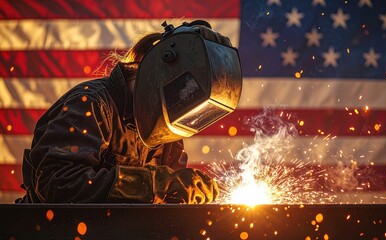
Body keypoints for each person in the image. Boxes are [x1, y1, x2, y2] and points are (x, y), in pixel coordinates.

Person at [17, 20, 242, 203]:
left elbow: (165, 201)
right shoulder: (92, 104)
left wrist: (184, 193)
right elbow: (58, 182)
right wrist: (156, 184)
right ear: (162, 69)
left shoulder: (166, 127)